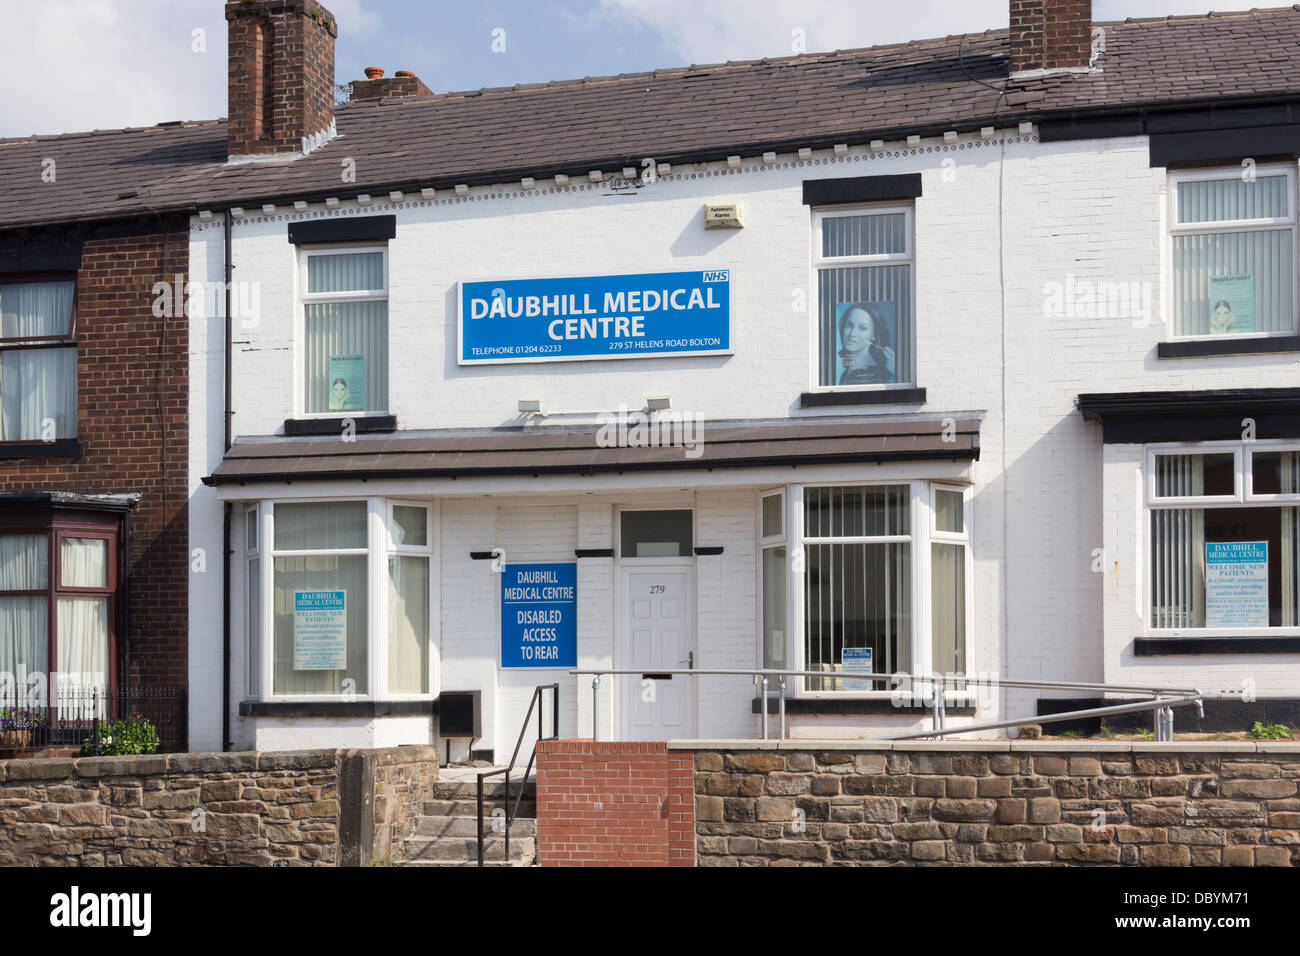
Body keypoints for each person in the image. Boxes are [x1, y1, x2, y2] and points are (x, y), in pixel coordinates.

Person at [837, 303, 896, 386]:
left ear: (874, 335)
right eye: (849, 325)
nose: (852, 334)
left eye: (862, 328)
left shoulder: (871, 374)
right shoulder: (849, 371)